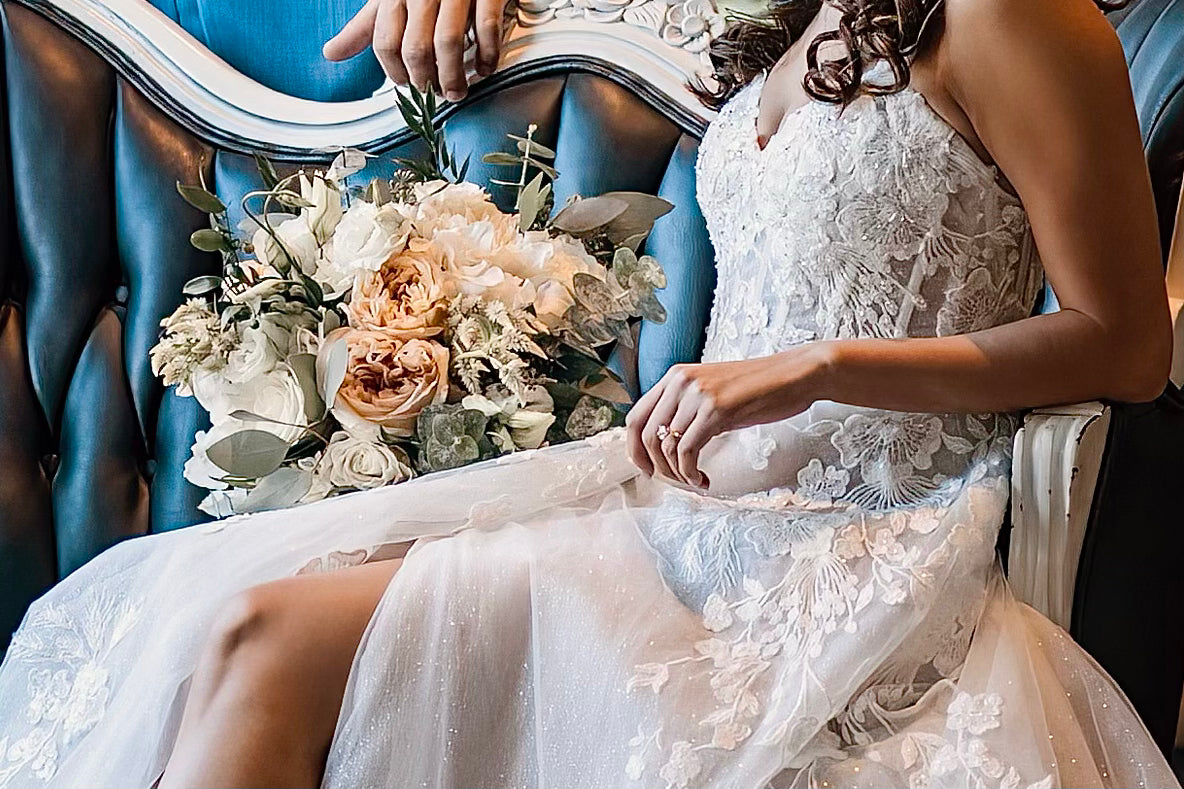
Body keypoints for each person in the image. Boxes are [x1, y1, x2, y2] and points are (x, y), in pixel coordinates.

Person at [0, 0, 1178, 786]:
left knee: (267, 637)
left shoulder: (1015, 14)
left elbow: (1120, 344)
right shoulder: (808, 15)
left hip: (857, 548)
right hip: (672, 513)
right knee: (245, 621)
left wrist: (821, 368)